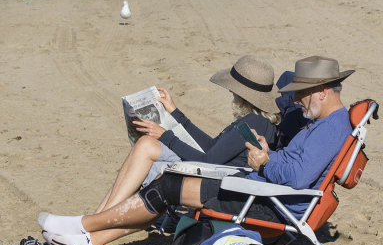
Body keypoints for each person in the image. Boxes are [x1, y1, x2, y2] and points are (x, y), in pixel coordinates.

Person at [38, 55, 354, 245]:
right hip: (258, 189)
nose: (295, 99)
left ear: (322, 91)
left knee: (166, 186)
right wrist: (269, 154)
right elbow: (293, 165)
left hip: (265, 200)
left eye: (301, 93)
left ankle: (82, 225)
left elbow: (297, 178)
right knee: (165, 186)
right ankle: (89, 241)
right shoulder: (325, 125)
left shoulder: (326, 128)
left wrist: (265, 162)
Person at [94, 55, 281, 215]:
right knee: (144, 147)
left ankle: (97, 220)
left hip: (216, 181)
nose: (231, 91)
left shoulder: (254, 123)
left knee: (145, 150)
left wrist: (165, 136)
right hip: (215, 172)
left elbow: (208, 160)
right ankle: (98, 216)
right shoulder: (256, 120)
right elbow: (212, 147)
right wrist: (176, 113)